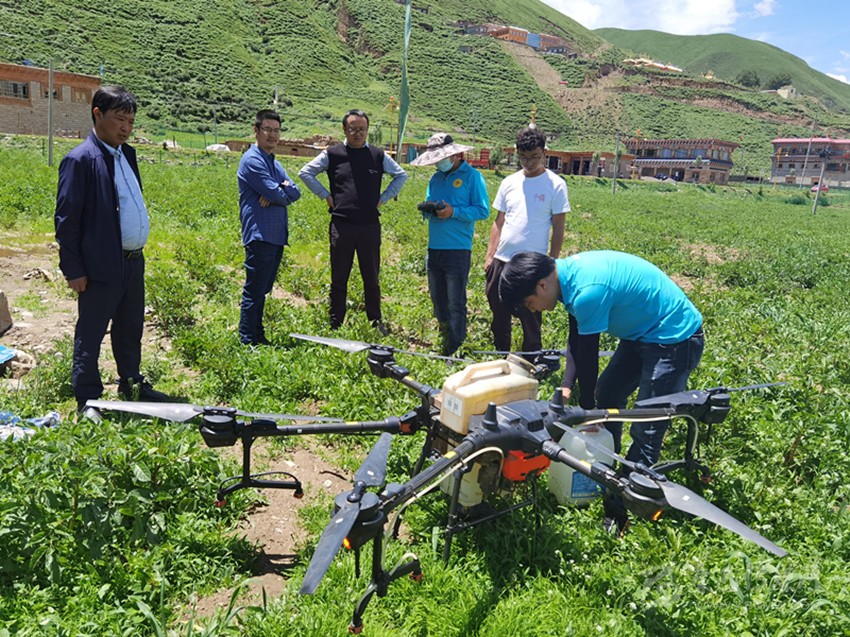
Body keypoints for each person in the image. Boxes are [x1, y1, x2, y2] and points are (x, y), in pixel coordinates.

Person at [499, 250, 704, 532]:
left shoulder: (587, 291)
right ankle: (610, 465)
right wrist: (568, 386)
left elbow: (589, 357)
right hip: (641, 334)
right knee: (608, 395)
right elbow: (576, 339)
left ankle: (622, 511)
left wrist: (587, 409)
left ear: (542, 285)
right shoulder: (565, 278)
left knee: (647, 425)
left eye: (528, 303)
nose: (532, 310)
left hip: (674, 338)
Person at [55, 85, 170, 414]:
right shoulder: (81, 160)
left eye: (131, 122)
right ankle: (88, 398)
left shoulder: (126, 154)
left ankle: (131, 383)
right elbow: (67, 220)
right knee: (91, 331)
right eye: (120, 119)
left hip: (132, 261)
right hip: (100, 263)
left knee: (130, 326)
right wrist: (74, 269)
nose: (126, 128)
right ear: (97, 114)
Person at [298, 110, 407, 334]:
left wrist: (384, 198)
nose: (358, 133)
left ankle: (375, 322)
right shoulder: (333, 154)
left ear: (367, 130)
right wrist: (325, 196)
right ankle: (335, 323)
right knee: (339, 277)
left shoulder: (377, 155)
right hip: (342, 225)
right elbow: (306, 172)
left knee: (371, 277)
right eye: (353, 129)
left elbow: (401, 175)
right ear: (344, 129)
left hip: (369, 226)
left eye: (362, 129)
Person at [485, 126, 567, 355]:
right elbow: (499, 221)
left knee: (530, 317)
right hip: (502, 259)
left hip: (532, 265)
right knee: (498, 310)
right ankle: (501, 355)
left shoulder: (555, 184)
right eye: (523, 157)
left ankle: (531, 361)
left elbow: (559, 227)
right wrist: (490, 256)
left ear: (544, 153)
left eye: (534, 157)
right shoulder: (509, 182)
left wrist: (552, 262)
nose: (529, 162)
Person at [410, 133, 489, 355]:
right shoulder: (435, 178)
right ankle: (444, 336)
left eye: (441, 158)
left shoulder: (472, 177)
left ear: (454, 155)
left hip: (457, 250)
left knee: (455, 302)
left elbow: (482, 210)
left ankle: (456, 346)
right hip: (434, 248)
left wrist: (453, 211)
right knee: (437, 298)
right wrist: (429, 209)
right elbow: (430, 201)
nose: (438, 163)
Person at [237, 109, 301, 345]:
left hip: (274, 235)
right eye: (267, 130)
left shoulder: (274, 162)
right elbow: (279, 194)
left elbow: (295, 192)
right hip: (260, 233)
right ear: (256, 130)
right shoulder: (253, 160)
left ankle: (257, 334)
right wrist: (278, 191)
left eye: (276, 130)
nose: (273, 135)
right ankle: (247, 338)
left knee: (262, 289)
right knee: (254, 290)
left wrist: (278, 191)